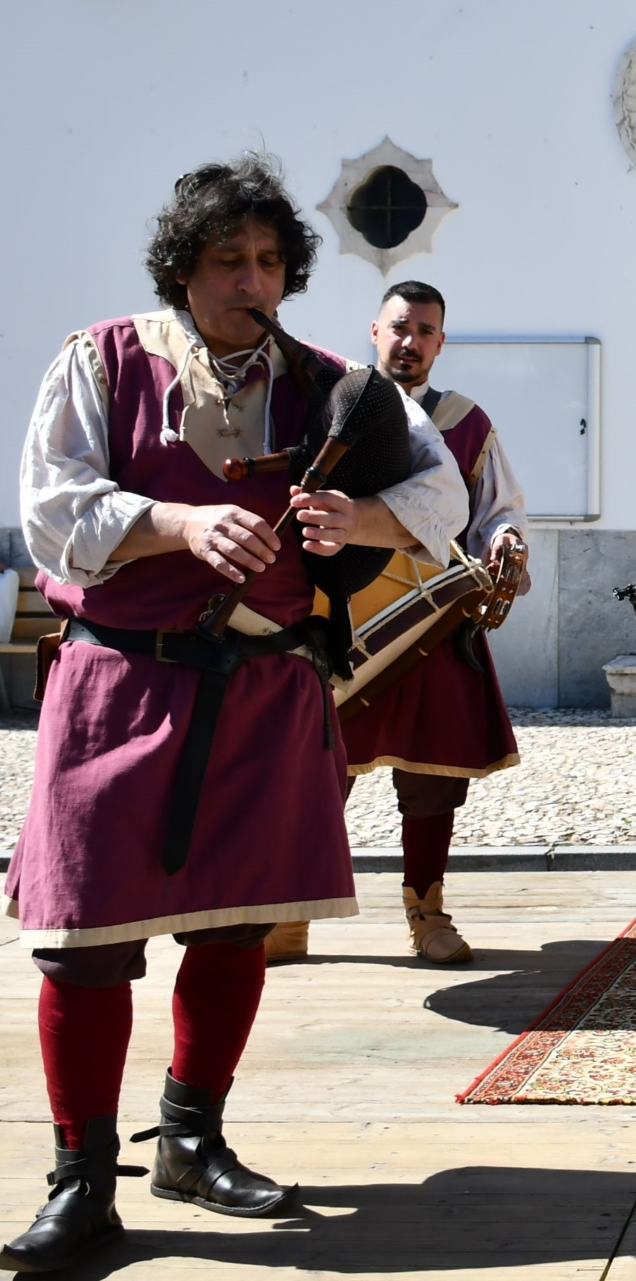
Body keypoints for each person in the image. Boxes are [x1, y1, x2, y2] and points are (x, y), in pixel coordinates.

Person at [0, 155, 466, 1272]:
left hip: (266, 687)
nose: (251, 281)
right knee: (83, 945)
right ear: (184, 269)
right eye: (227, 262)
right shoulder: (100, 361)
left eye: (267, 261)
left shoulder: (335, 386)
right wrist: (174, 523)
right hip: (120, 683)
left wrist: (360, 520)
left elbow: (442, 496)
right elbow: (52, 510)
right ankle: (80, 1184)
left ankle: (193, 1140)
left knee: (236, 926)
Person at [263, 281, 526, 967]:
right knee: (318, 770)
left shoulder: (467, 421)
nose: (410, 342)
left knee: (433, 777)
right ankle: (289, 914)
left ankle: (427, 912)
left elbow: (496, 509)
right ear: (374, 331)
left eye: (426, 331)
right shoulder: (330, 404)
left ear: (440, 342)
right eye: (400, 327)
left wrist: (502, 542)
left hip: (433, 622)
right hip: (335, 620)